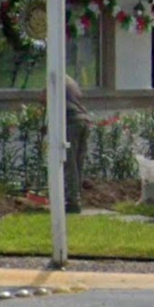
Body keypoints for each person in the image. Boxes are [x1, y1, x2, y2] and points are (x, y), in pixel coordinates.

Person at [63, 75, 92, 214]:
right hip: (84, 121)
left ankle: (72, 201)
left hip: (71, 122)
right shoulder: (71, 81)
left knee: (69, 162)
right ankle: (77, 197)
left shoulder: (55, 78)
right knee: (78, 163)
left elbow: (44, 98)